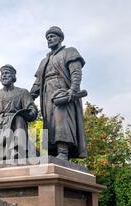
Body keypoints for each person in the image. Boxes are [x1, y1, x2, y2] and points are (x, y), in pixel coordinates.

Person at [31, 26, 88, 160]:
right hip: (47, 96)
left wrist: (72, 90)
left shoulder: (69, 52)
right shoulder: (44, 61)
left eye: (52, 36)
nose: (49, 39)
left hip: (63, 92)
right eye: (47, 37)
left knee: (62, 120)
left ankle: (63, 151)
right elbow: (37, 83)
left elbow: (76, 72)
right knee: (48, 123)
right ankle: (51, 152)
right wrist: (29, 98)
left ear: (60, 38)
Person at [0, 64, 38, 161]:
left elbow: (32, 108)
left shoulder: (23, 92)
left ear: (13, 76)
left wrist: (30, 113)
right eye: (2, 74)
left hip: (15, 123)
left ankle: (18, 151)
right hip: (0, 125)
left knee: (18, 119)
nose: (4, 75)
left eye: (7, 73)